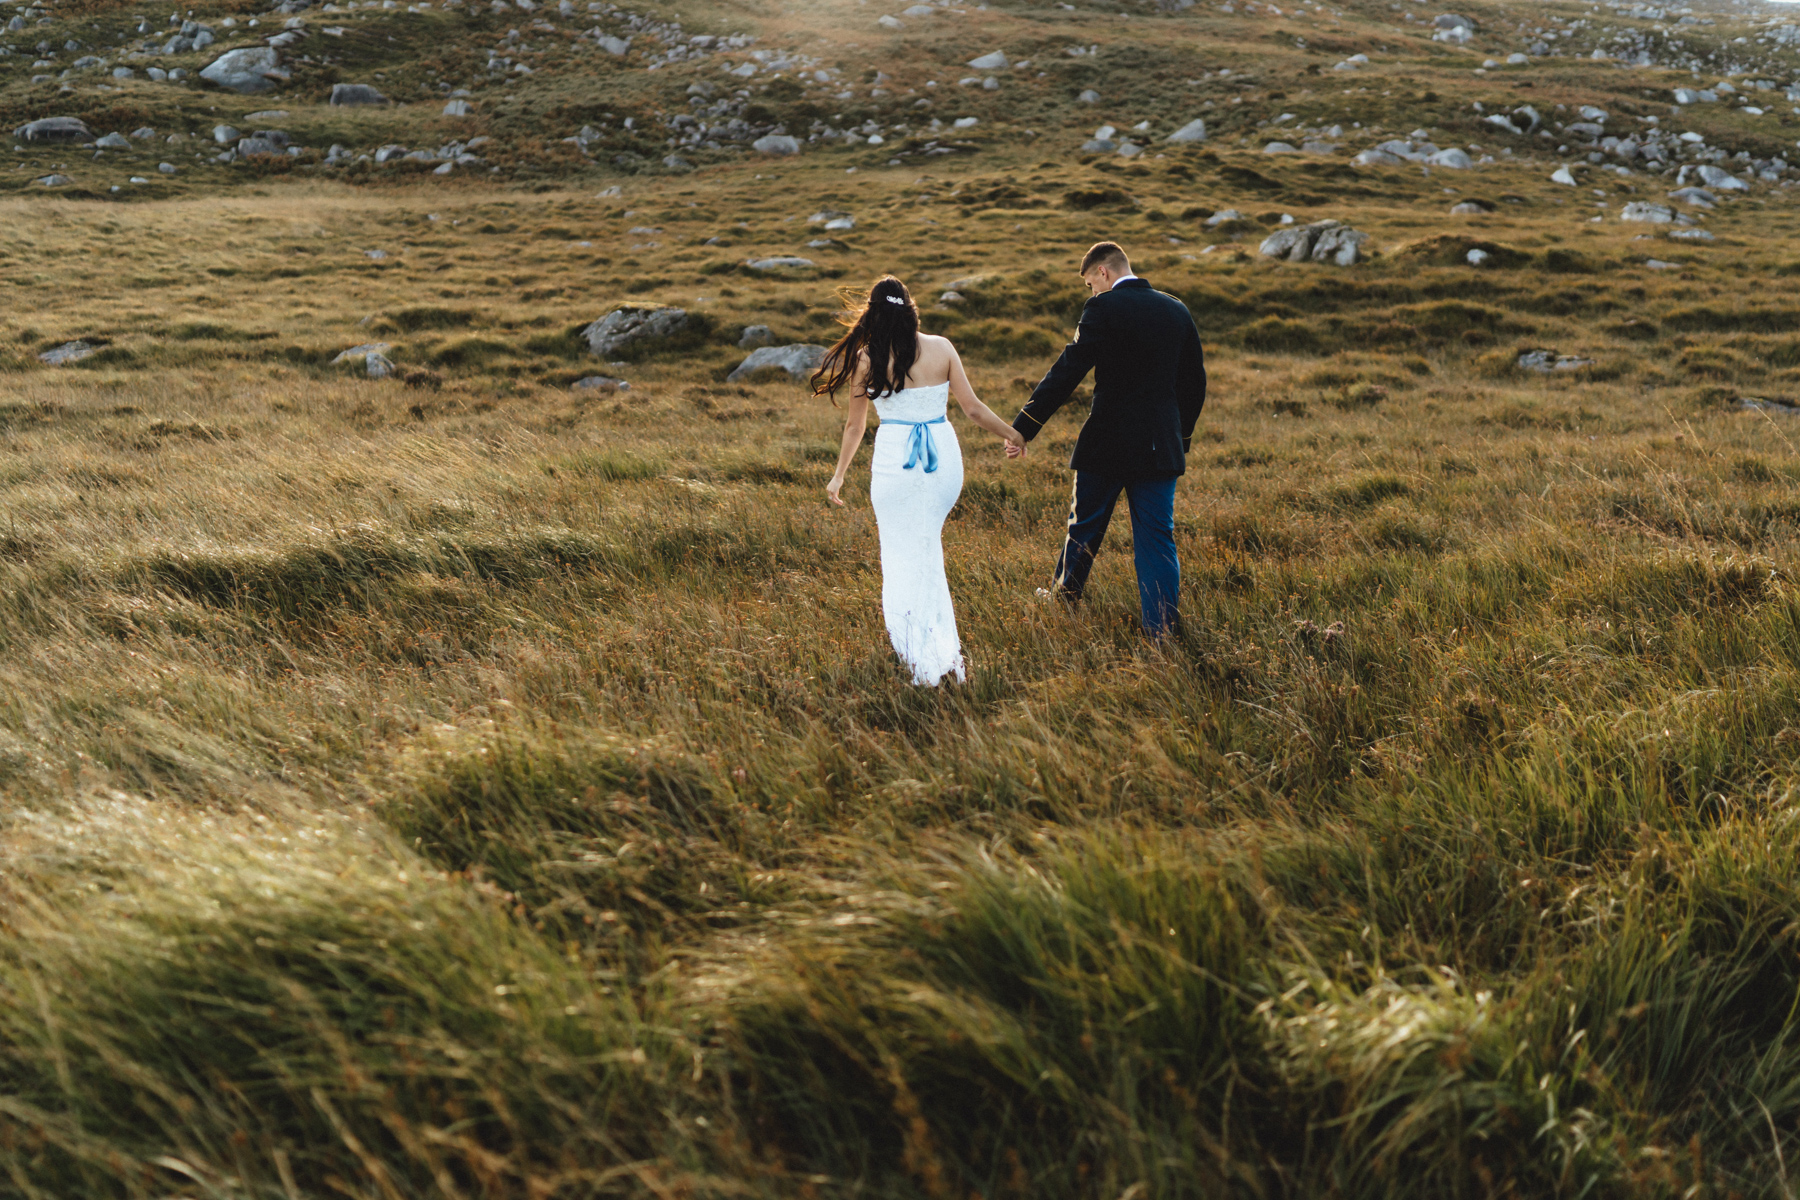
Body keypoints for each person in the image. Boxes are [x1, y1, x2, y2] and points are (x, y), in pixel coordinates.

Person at [817, 275, 1027, 686]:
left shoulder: (866, 358)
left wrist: (838, 475)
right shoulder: (942, 348)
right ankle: (940, 650)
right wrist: (1012, 433)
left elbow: (854, 427)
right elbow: (973, 409)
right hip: (942, 462)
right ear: (911, 308)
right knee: (928, 549)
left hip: (896, 464)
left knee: (901, 555)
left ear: (874, 313)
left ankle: (919, 654)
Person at [1006, 241, 1207, 638]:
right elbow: (1194, 384)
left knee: (1085, 526)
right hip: (1160, 448)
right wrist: (1179, 437)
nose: (1090, 292)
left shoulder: (1103, 307)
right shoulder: (1176, 310)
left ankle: (1064, 599)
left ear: (1103, 272)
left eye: (1088, 284)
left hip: (1107, 443)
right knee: (1157, 537)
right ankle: (1162, 629)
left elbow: (1067, 371)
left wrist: (1024, 426)